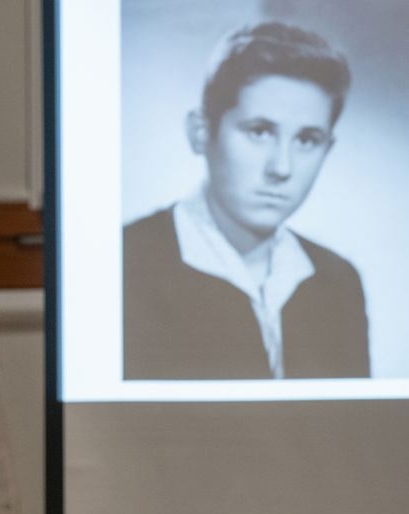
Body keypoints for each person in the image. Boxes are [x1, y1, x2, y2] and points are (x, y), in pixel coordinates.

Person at [123, 22, 369, 380]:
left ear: (327, 149)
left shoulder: (339, 282)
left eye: (306, 140)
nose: (282, 168)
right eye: (259, 132)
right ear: (200, 132)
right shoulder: (124, 262)